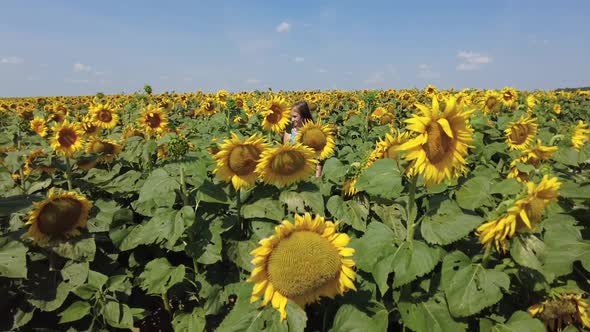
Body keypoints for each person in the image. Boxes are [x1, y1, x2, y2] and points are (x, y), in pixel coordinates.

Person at [283, 101, 322, 177]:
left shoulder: (313, 133)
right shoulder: (289, 131)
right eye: (291, 117)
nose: (292, 120)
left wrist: (317, 178)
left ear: (304, 116)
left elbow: (319, 159)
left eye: (295, 116)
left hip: (309, 173)